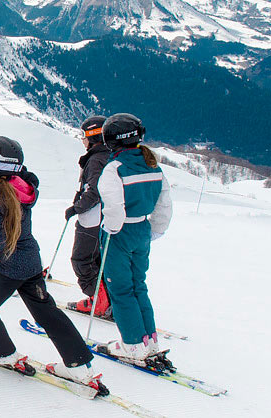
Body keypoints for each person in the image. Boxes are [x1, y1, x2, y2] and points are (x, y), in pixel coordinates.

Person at [0, 136, 102, 389]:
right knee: (46, 311)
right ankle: (79, 364)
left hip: (9, 266)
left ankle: (2, 353)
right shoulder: (21, 187)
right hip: (30, 262)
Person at [96, 113, 173, 361]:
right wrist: (155, 230)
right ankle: (148, 340)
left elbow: (114, 207)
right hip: (142, 229)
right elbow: (164, 204)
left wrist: (110, 229)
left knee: (120, 288)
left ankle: (131, 343)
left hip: (121, 232)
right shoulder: (153, 166)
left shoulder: (114, 168)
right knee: (138, 285)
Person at [62, 115, 111, 316]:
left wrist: (78, 207)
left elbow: (95, 190)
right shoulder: (107, 156)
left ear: (93, 136)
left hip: (93, 218)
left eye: (84, 135)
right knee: (97, 260)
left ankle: (99, 302)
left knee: (81, 260)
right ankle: (108, 301)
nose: (82, 140)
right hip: (105, 218)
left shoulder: (97, 159)